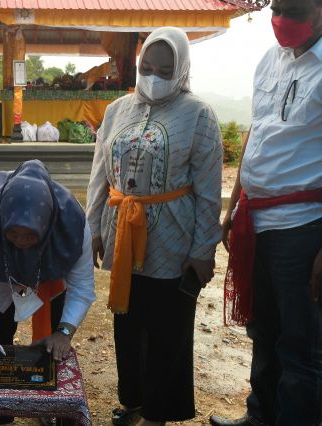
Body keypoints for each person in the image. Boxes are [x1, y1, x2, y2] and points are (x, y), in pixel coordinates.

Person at [86, 28, 222, 426]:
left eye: (165, 70)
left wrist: (203, 250)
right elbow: (99, 175)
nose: (154, 76)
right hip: (122, 236)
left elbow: (209, 191)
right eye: (147, 67)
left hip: (173, 240)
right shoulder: (116, 110)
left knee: (168, 328)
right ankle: (134, 402)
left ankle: (158, 412)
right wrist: (93, 228)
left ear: (180, 69)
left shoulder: (198, 115)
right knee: (127, 321)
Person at [210, 1, 322, 425]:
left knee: (302, 347)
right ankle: (260, 417)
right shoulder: (268, 61)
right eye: (278, 8)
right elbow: (258, 134)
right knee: (263, 332)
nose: (282, 19)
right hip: (256, 222)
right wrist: (234, 205)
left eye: (294, 9)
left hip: (304, 226)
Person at [0, 159, 96, 426]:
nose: (20, 242)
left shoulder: (72, 224)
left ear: (47, 225)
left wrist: (65, 332)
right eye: (13, 232)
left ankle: (48, 404)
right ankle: (2, 409)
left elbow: (83, 286)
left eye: (30, 235)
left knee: (52, 348)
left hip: (50, 274)